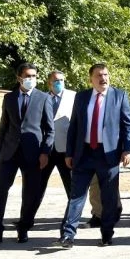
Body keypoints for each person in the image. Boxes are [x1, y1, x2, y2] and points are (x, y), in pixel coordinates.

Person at [53, 63, 130, 248]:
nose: (103, 78)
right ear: (91, 79)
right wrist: (69, 152)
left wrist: (127, 149)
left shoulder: (119, 96)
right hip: (84, 153)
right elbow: (74, 126)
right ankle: (67, 235)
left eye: (105, 74)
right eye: (99, 75)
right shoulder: (82, 97)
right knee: (76, 195)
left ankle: (106, 234)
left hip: (109, 155)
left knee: (109, 197)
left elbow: (128, 125)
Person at [0, 63, 54, 246]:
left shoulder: (43, 98)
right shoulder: (9, 98)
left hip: (33, 153)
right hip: (9, 153)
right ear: (19, 77)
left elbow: (50, 130)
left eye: (34, 76)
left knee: (30, 193)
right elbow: (3, 127)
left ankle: (24, 228)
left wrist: (45, 152)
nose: (31, 79)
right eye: (28, 76)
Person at [34, 70, 75, 235]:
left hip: (67, 151)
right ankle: (27, 219)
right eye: (56, 80)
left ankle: (70, 223)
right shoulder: (42, 98)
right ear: (49, 82)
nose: (59, 83)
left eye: (62, 80)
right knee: (37, 187)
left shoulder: (74, 96)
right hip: (46, 150)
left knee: (72, 189)